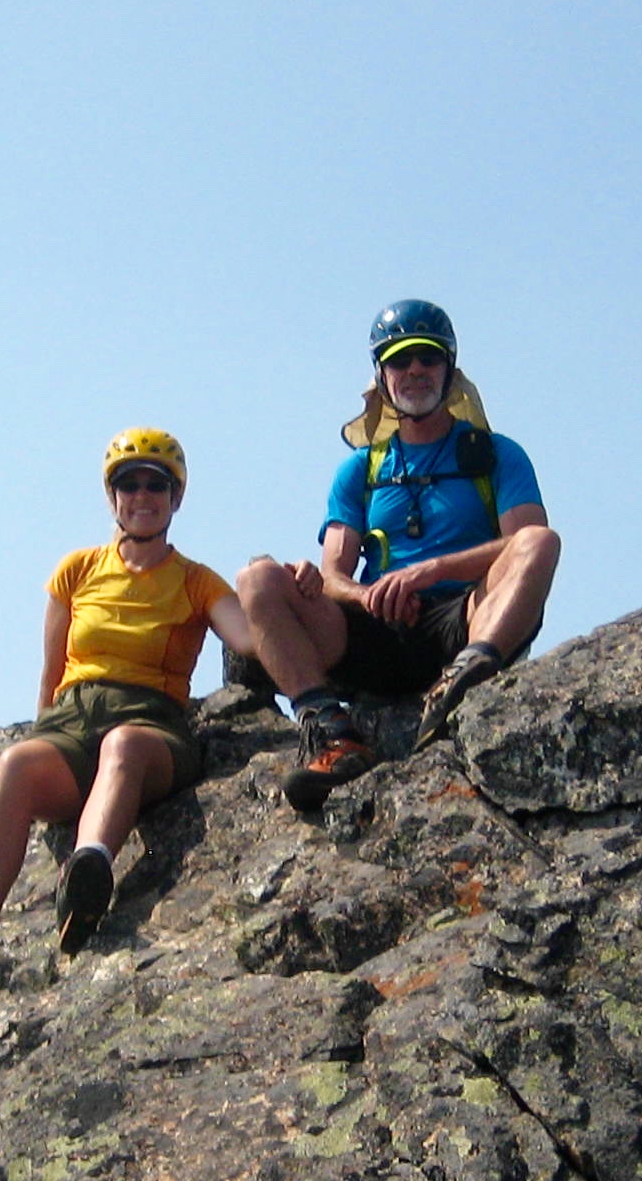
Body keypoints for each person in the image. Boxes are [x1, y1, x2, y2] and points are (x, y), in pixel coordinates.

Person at [0, 428, 255, 991]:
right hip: (72, 718)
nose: (142, 496)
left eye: (155, 485)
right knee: (15, 765)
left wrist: (280, 594)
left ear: (175, 498)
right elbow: (52, 671)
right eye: (128, 484)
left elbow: (249, 638)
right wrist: (47, 739)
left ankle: (86, 876)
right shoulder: (77, 571)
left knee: (124, 746)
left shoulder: (196, 581)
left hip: (151, 723)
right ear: (111, 497)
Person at [233, 300, 561, 812]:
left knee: (542, 543)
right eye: (399, 361)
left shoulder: (496, 455)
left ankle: (459, 685)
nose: (414, 372)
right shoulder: (361, 470)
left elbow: (524, 541)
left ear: (449, 372)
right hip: (376, 630)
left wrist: (430, 571)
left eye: (427, 359)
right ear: (381, 376)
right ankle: (333, 734)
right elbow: (333, 574)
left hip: (464, 619)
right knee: (257, 580)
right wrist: (372, 596)